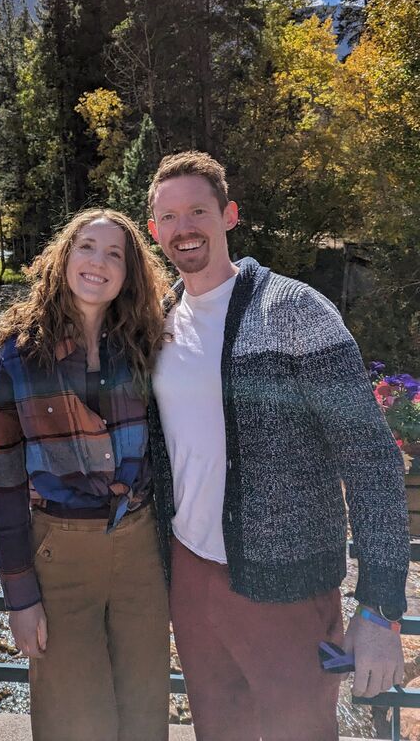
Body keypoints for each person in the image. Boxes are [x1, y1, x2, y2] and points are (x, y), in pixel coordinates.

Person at [145, 150, 409, 741]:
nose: (184, 228)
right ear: (154, 230)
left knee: (301, 731)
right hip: (191, 573)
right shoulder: (159, 319)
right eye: (169, 216)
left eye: (198, 211)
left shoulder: (295, 311)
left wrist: (379, 608)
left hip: (286, 582)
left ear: (229, 215)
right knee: (218, 729)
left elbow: (371, 460)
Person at [0, 208, 172, 741]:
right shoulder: (18, 359)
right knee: (71, 715)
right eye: (88, 247)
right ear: (64, 257)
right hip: (58, 553)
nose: (99, 262)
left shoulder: (147, 343)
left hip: (141, 546)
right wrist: (20, 596)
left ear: (130, 273)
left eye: (116, 254)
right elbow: (3, 482)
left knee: (144, 707)